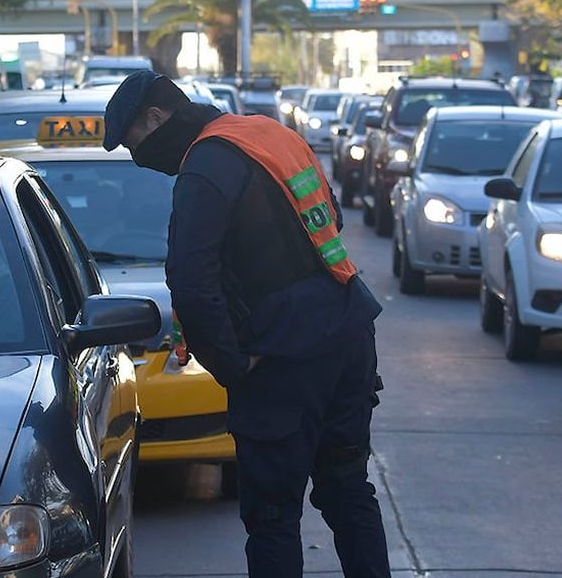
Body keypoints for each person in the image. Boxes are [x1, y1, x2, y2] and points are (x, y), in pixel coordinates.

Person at [103, 70, 390, 578]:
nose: (138, 157)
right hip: (348, 332)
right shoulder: (270, 134)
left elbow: (190, 279)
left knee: (273, 515)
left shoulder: (204, 168)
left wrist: (232, 364)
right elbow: (331, 218)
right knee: (348, 491)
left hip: (281, 361)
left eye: (136, 142)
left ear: (156, 117)